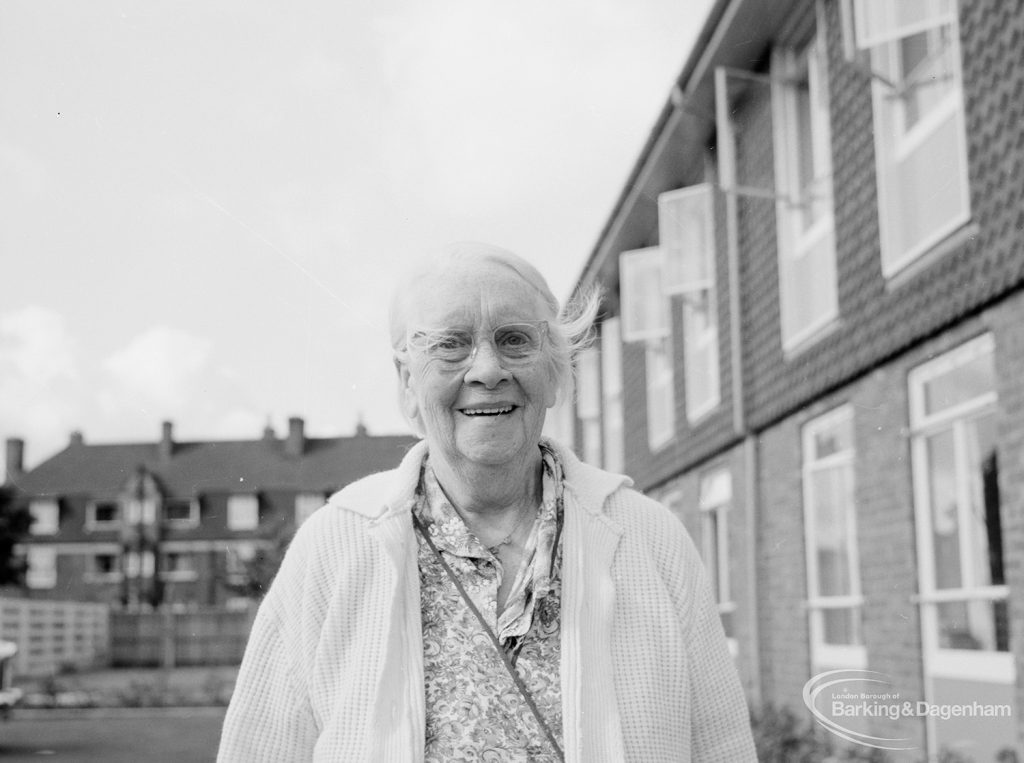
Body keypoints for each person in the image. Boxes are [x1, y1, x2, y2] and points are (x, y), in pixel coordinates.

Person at [217, 242, 756, 762]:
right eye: (450, 344)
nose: (487, 370)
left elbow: (722, 748)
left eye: (515, 339)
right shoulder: (334, 545)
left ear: (555, 370)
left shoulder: (649, 538)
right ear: (408, 382)